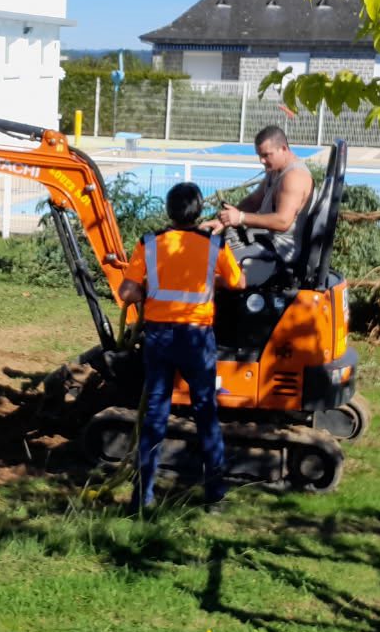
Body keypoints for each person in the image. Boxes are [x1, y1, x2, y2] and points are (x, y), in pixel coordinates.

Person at [118, 182, 246, 512]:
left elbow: (128, 293)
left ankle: (142, 497)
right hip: (197, 339)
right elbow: (237, 283)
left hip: (160, 338)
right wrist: (207, 281)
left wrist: (151, 288)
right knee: (205, 412)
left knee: (156, 412)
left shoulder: (149, 243)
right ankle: (215, 495)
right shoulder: (214, 244)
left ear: (168, 211)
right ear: (199, 211)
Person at [200, 125, 313, 283]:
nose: (262, 160)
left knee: (210, 277)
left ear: (283, 148)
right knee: (210, 260)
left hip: (279, 254)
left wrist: (240, 217)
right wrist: (224, 220)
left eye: (267, 155)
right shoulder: (275, 171)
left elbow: (283, 221)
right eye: (260, 155)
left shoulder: (294, 177)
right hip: (266, 242)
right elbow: (254, 201)